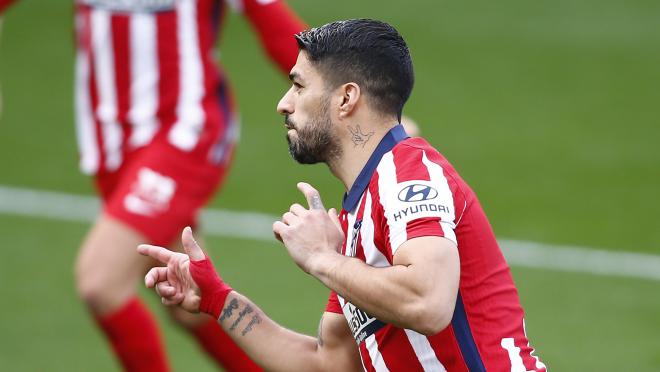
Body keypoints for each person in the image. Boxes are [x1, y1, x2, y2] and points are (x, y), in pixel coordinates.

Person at [138, 18, 547, 371]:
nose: (284, 104)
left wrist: (322, 258)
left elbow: (429, 302)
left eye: (298, 86)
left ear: (347, 98)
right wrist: (219, 300)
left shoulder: (405, 176)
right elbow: (328, 362)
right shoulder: (355, 219)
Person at [68, 0, 305, 371]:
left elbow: (271, 19)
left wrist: (348, 102)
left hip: (185, 133)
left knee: (101, 281)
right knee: (189, 300)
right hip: (112, 144)